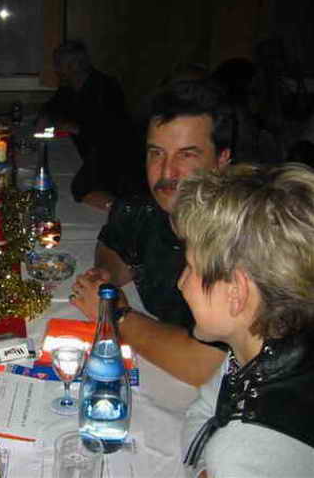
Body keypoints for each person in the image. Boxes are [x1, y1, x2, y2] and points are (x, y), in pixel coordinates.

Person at [71, 80, 233, 387]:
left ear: (222, 160)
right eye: (157, 153)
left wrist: (115, 313)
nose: (167, 172)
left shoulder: (238, 239)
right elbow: (113, 245)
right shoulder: (143, 210)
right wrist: (108, 273)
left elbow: (201, 364)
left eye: (186, 155)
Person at [176, 163, 314, 477]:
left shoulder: (244, 453)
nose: (181, 283)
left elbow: (208, 425)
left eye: (191, 268)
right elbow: (204, 409)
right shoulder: (270, 345)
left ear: (236, 292)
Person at [38, 40, 141, 210]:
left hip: (110, 164)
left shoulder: (106, 87)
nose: (56, 70)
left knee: (72, 192)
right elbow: (51, 107)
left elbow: (115, 134)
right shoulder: (68, 88)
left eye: (59, 65)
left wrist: (76, 128)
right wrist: (46, 115)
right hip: (78, 154)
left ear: (74, 66)